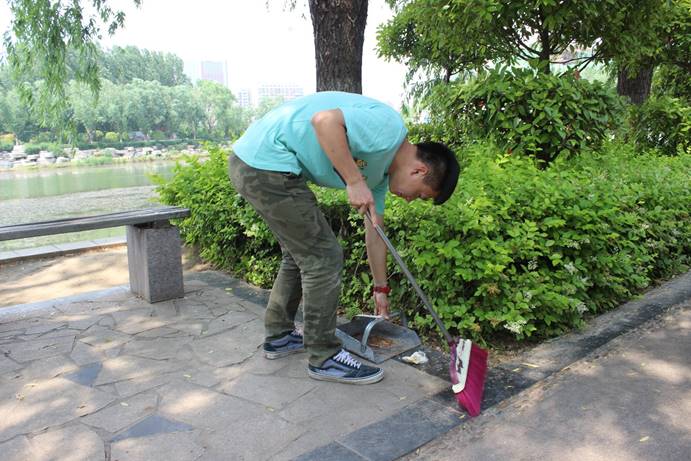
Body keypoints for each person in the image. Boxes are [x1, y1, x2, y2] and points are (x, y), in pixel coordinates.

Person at [228, 91, 459, 385]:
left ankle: (280, 336)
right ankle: (324, 357)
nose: (412, 200)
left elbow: (375, 232)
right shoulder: (389, 129)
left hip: (257, 163)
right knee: (323, 257)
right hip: (266, 164)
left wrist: (380, 288)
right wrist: (354, 180)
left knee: (302, 254)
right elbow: (324, 121)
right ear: (419, 170)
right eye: (421, 195)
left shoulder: (380, 175)